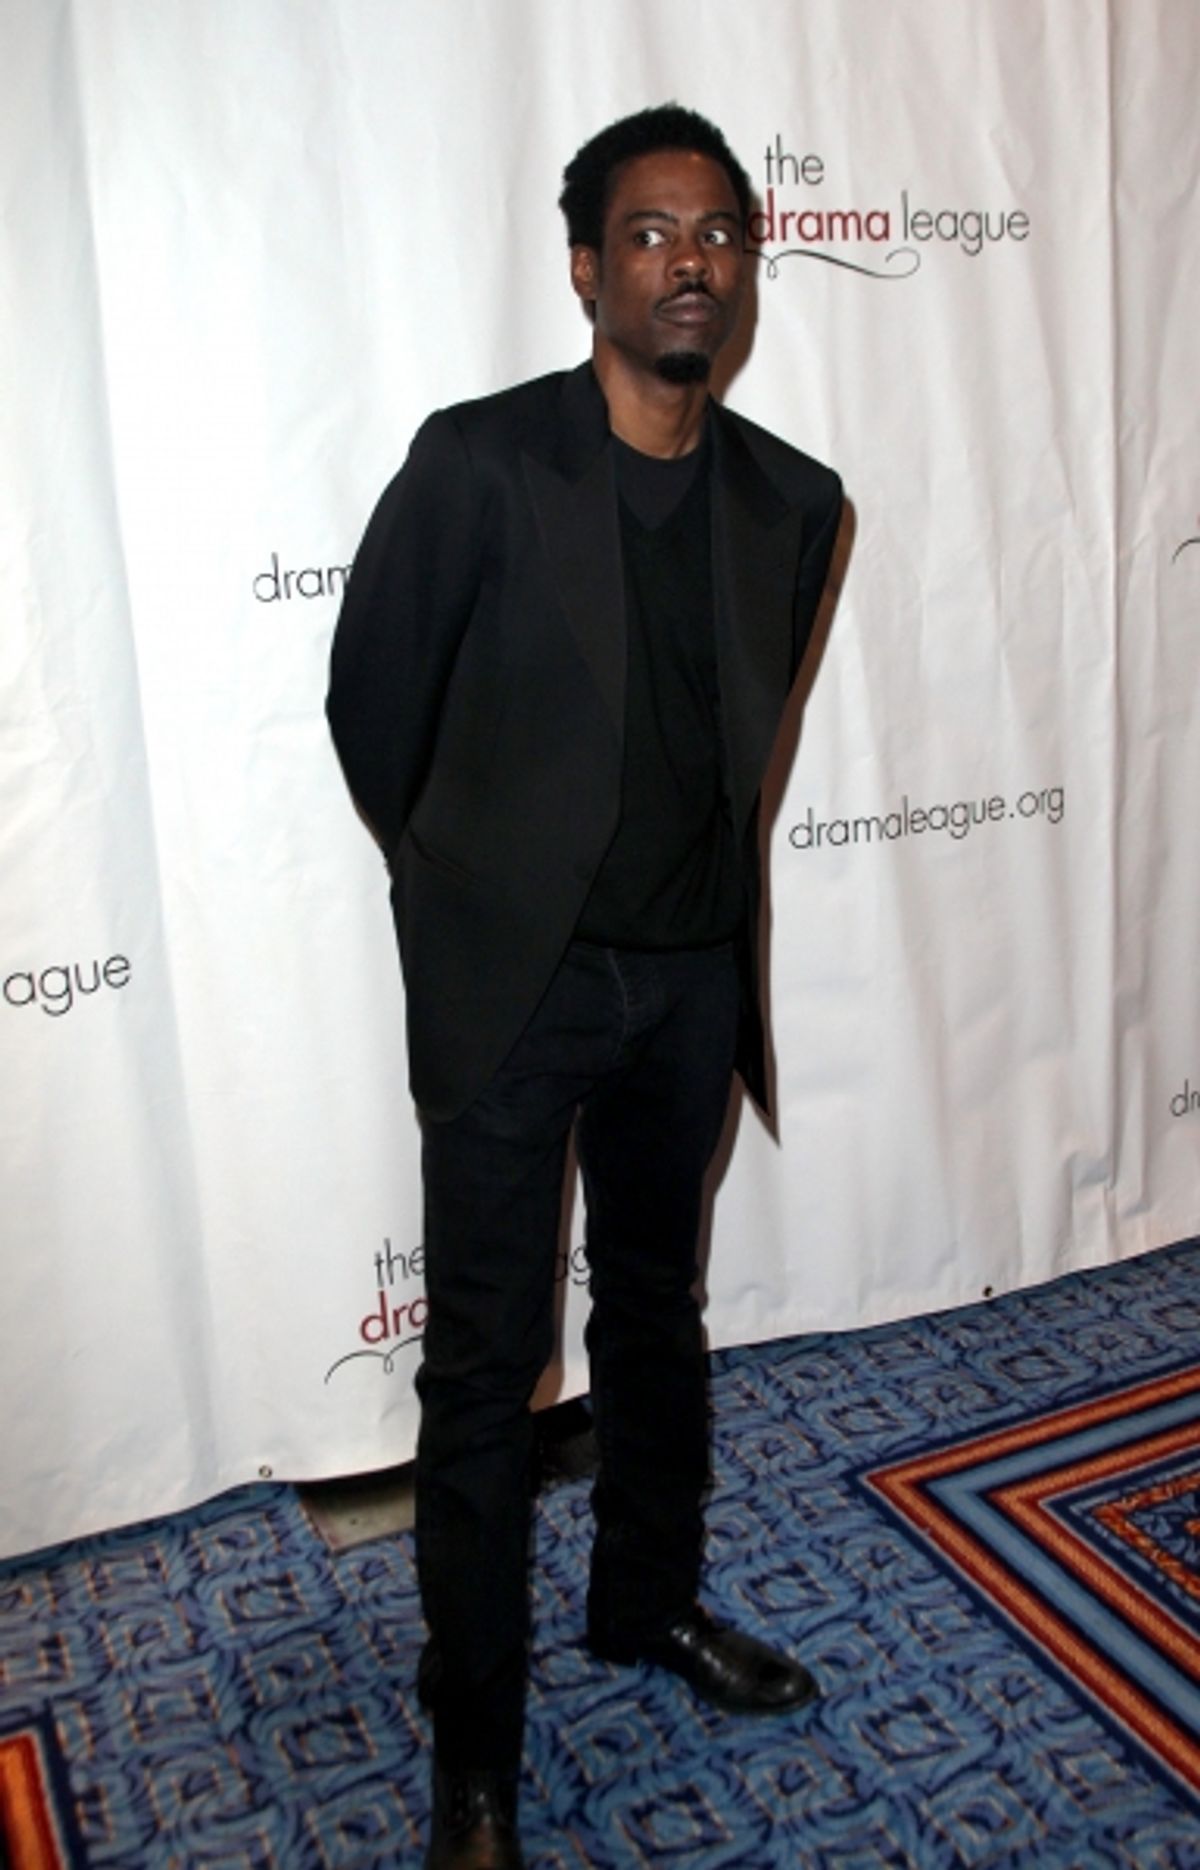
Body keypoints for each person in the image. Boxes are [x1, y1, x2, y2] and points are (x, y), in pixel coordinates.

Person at [327, 102, 843, 1870]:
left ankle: (647, 1607)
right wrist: (469, 900)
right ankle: (472, 1748)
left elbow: (736, 749)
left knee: (656, 1318)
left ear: (745, 268)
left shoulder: (795, 502)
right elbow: (369, 712)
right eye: (648, 233)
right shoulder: (477, 468)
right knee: (482, 1375)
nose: (689, 259)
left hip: (692, 984)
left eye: (717, 234)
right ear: (582, 268)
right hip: (514, 989)